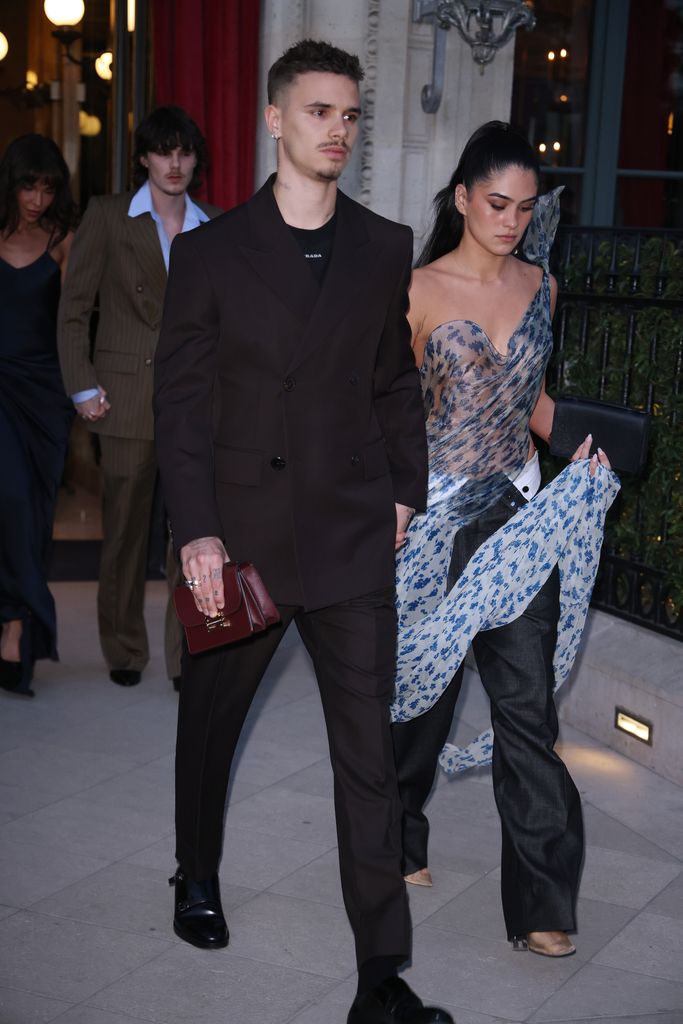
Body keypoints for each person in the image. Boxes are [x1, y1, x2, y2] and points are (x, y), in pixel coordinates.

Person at [154, 39, 453, 1024]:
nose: (336, 128)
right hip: (239, 540)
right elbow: (183, 404)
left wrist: (403, 489)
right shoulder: (208, 252)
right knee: (211, 724)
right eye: (318, 110)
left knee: (367, 754)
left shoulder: (380, 243)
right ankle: (194, 870)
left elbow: (390, 380)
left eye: (349, 115)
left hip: (348, 536)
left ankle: (380, 976)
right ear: (275, 120)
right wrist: (194, 529)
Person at [390, 122, 618, 959]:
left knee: (526, 711)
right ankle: (399, 839)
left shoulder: (541, 286)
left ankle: (541, 905)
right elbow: (386, 411)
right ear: (461, 198)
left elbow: (530, 400)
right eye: (495, 203)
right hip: (435, 517)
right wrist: (394, 503)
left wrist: (583, 448)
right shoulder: (413, 289)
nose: (511, 220)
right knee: (421, 698)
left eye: (524, 207)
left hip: (520, 516)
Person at [57, 106, 221, 689]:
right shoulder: (108, 216)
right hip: (123, 400)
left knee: (195, 538)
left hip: (196, 408)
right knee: (124, 536)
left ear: (196, 160)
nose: (174, 164)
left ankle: (187, 658)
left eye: (184, 152)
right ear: (145, 157)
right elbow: (74, 309)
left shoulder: (213, 225)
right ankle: (125, 649)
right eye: (163, 151)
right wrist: (82, 385)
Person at [0, 134, 76, 697]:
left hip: (44, 396)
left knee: (34, 511)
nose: (38, 198)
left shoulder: (62, 239)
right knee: (12, 501)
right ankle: (14, 622)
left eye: (48, 188)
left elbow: (72, 327)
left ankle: (16, 624)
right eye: (29, 185)